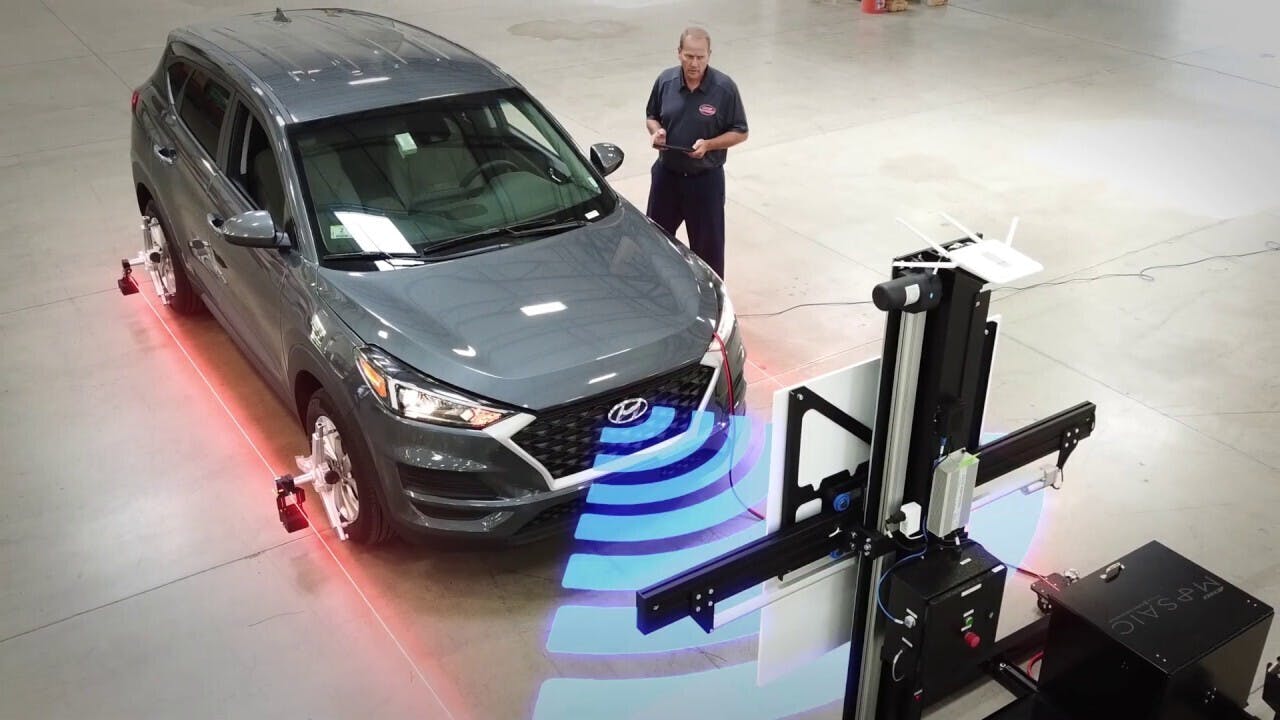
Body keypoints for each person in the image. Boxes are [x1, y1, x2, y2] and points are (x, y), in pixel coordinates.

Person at [645, 27, 748, 279]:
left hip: (705, 182)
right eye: (689, 56)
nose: (694, 63)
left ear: (709, 55)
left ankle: (712, 304)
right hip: (666, 177)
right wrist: (657, 132)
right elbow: (652, 116)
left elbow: (741, 131)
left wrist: (709, 144)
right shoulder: (665, 82)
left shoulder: (724, 89)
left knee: (708, 251)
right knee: (654, 242)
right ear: (679, 53)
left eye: (700, 57)